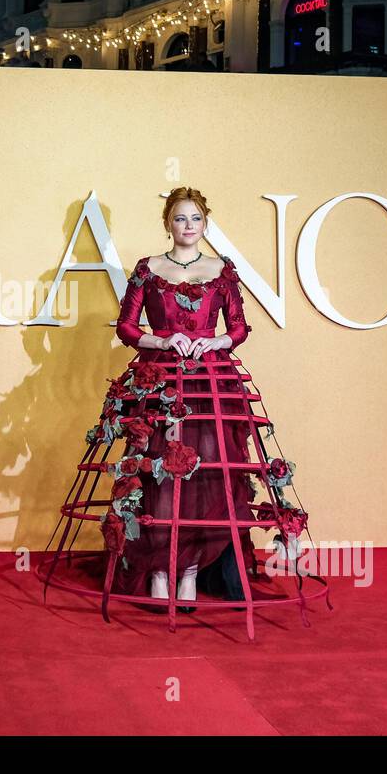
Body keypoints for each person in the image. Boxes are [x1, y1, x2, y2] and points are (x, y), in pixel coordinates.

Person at [104, 186, 262, 607]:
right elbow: (126, 328)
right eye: (180, 218)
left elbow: (241, 327)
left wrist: (215, 343)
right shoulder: (148, 267)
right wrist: (163, 338)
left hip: (211, 383)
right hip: (161, 381)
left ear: (205, 223)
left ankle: (189, 573)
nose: (188, 226)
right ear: (167, 223)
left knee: (206, 476)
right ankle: (159, 572)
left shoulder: (221, 269)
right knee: (159, 474)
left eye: (195, 219)